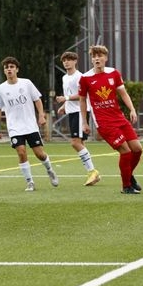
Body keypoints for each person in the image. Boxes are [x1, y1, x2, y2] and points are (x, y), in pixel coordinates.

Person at [79, 45, 143, 194]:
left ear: (106, 58)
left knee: (137, 149)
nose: (97, 59)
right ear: (91, 59)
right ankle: (126, 187)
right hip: (104, 123)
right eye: (94, 56)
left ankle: (129, 176)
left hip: (119, 118)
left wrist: (132, 109)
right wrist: (84, 122)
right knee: (126, 152)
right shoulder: (85, 78)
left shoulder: (114, 73)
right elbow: (82, 100)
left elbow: (123, 93)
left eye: (100, 56)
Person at [0, 56, 59, 191]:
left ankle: (49, 169)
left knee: (40, 154)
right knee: (21, 152)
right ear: (4, 71)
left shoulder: (26, 83)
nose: (9, 69)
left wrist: (41, 115)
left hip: (30, 125)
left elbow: (37, 100)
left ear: (17, 69)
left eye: (12, 67)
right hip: (14, 127)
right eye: (6, 67)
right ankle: (30, 182)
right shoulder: (0, 89)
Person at [55, 51, 101, 186]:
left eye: (69, 59)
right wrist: (64, 105)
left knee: (75, 143)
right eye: (64, 60)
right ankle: (92, 174)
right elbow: (69, 94)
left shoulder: (80, 77)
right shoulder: (65, 78)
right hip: (72, 112)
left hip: (80, 112)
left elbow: (82, 95)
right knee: (80, 143)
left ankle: (93, 171)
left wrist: (66, 98)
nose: (66, 62)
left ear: (75, 61)